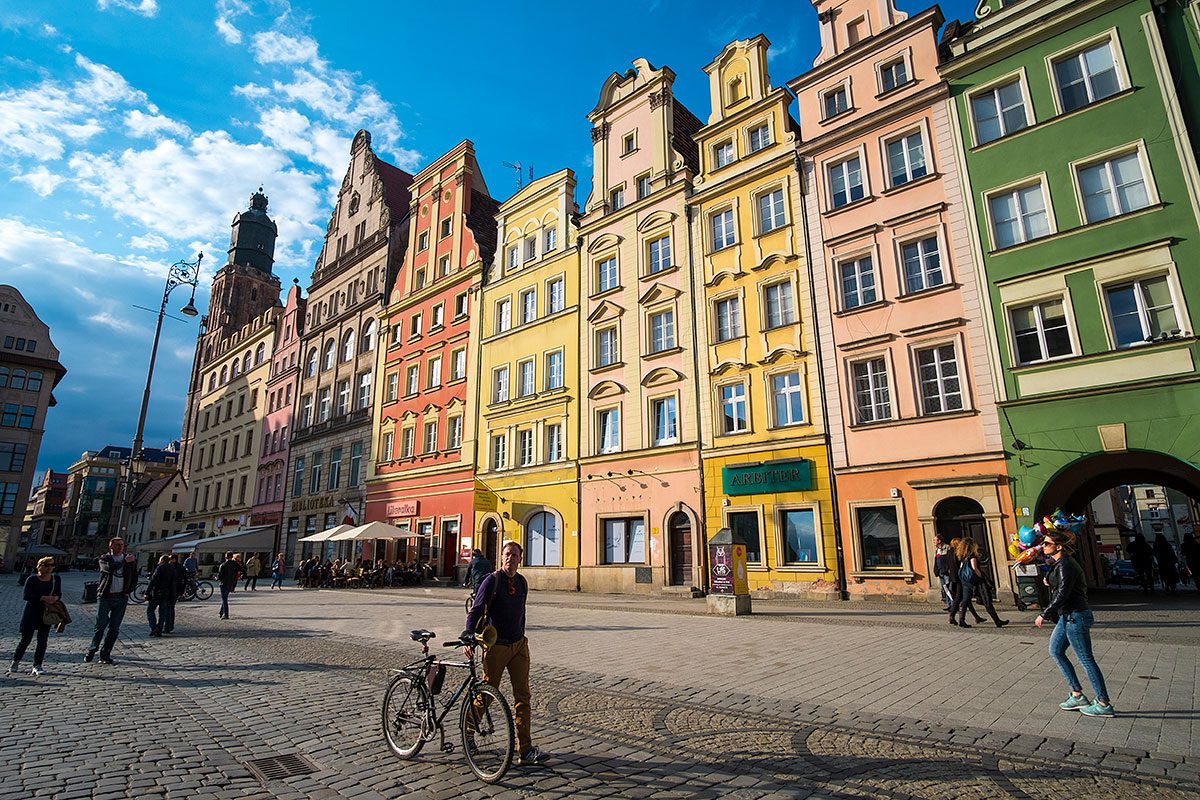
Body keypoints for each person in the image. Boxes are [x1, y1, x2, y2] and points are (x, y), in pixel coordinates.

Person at [463, 540, 541, 766]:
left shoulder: (522, 582)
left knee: (523, 697)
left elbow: (522, 613)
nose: (510, 558)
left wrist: (522, 638)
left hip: (518, 645)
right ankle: (469, 731)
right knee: (487, 693)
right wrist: (469, 634)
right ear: (501, 557)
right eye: (507, 554)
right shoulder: (491, 581)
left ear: (520, 558)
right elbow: (476, 610)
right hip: (496, 646)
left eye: (514, 555)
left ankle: (525, 749)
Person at [1036, 527, 1114, 717]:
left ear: (1059, 546)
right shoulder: (1060, 563)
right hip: (1067, 616)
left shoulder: (1066, 565)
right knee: (1055, 651)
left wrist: (1044, 614)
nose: (1043, 546)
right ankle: (1077, 694)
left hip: (1075, 616)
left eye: (1047, 543)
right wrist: (1048, 579)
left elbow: (1064, 593)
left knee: (1086, 659)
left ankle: (1103, 703)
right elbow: (1060, 583)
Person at [87, 537, 138, 665]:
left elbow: (134, 576)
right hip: (105, 596)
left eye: (122, 545)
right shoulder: (105, 558)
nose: (120, 547)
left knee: (114, 627)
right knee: (100, 625)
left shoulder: (129, 559)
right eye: (117, 545)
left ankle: (105, 653)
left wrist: (129, 590)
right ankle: (93, 649)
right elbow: (109, 569)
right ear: (111, 546)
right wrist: (125, 562)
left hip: (121, 597)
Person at [8, 557, 61, 675]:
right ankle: (16, 661)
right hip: (31, 612)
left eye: (52, 565)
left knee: (42, 641)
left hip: (46, 613)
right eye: (47, 565)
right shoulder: (32, 579)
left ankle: (37, 665)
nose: (50, 568)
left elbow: (59, 593)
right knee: (25, 639)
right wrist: (42, 598)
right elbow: (26, 596)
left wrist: (55, 598)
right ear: (40, 566)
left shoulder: (56, 579)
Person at [948, 538, 986, 627]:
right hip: (962, 578)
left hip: (955, 576)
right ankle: (955, 616)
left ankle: (976, 617)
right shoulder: (960, 554)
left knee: (966, 599)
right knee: (962, 598)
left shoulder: (951, 552)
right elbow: (972, 567)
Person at [145, 555, 175, 637]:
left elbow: (153, 581)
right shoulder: (172, 568)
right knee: (163, 613)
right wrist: (173, 595)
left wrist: (147, 592)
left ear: (162, 560)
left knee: (150, 610)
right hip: (166, 593)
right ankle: (159, 629)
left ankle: (154, 627)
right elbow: (173, 583)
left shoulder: (160, 568)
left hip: (156, 593)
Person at [932, 535, 955, 611]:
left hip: (946, 572)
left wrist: (949, 569)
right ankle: (949, 605)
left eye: (935, 540)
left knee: (949, 588)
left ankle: (953, 605)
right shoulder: (937, 550)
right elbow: (936, 560)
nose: (934, 542)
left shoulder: (947, 548)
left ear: (939, 541)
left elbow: (950, 560)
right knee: (944, 589)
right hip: (940, 572)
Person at [217, 551, 241, 620]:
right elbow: (242, 569)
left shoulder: (223, 564)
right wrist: (237, 576)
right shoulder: (235, 564)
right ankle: (221, 612)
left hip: (223, 583)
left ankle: (226, 614)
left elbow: (220, 575)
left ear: (226, 557)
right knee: (225, 597)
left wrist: (217, 578)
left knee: (224, 599)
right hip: (231, 583)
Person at [164, 554, 184, 634]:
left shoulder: (172, 567)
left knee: (168, 608)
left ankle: (168, 626)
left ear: (174, 559)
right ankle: (170, 625)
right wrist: (181, 591)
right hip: (176, 590)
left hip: (171, 590)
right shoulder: (180, 567)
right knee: (171, 608)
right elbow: (184, 580)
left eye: (170, 559)